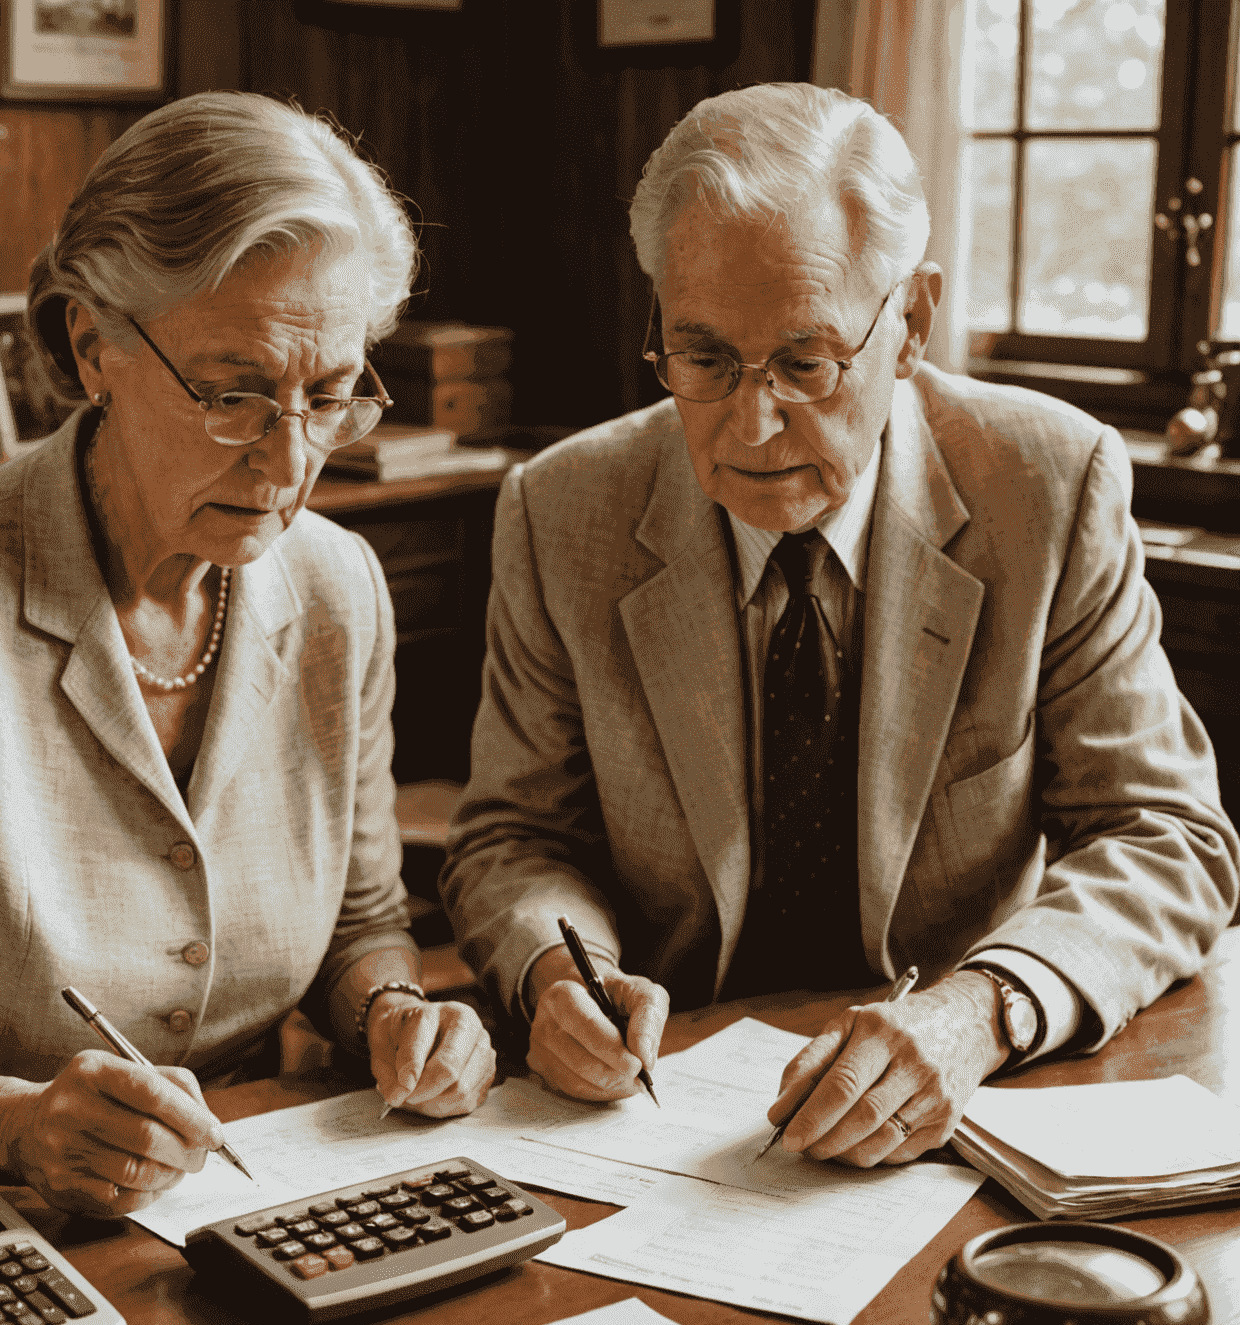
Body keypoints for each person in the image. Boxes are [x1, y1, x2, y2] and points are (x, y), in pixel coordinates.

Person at [0, 92, 494, 1216]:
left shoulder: (336, 585)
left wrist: (395, 1014)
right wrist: (13, 1129)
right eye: (234, 394)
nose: (288, 463)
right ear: (91, 348)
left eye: (328, 396)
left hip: (248, 1199)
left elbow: (360, 929)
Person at [441, 82, 1239, 1166]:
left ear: (910, 321)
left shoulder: (1047, 486)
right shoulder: (563, 508)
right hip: (659, 1125)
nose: (752, 422)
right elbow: (512, 838)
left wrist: (981, 1012)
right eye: (704, 357)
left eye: (805, 363)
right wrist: (556, 971)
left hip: (961, 1105)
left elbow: (1167, 836)